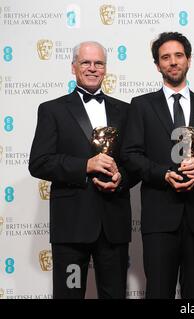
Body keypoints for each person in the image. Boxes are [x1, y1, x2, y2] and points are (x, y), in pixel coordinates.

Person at [121, 32, 194, 298]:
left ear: (189, 60)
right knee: (158, 291)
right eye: (165, 57)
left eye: (178, 56)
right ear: (157, 65)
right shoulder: (141, 106)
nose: (172, 62)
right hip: (159, 216)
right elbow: (131, 155)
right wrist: (163, 173)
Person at [29, 41, 131, 299]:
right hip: (72, 227)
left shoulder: (126, 111)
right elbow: (39, 162)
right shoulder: (52, 110)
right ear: (74, 67)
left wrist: (121, 178)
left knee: (114, 294)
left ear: (106, 69)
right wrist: (85, 165)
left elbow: (133, 161)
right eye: (86, 62)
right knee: (69, 294)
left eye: (99, 63)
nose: (92, 68)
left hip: (113, 224)